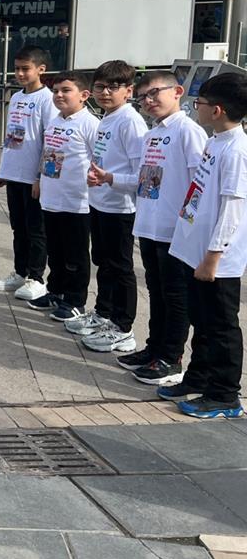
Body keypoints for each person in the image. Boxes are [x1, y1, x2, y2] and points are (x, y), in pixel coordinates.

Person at [90, 71, 206, 386]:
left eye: (155, 93)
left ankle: (171, 358)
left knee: (175, 296)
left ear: (177, 91)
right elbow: (144, 179)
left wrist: (190, 224)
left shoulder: (188, 131)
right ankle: (154, 349)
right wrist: (110, 178)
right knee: (157, 292)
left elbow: (200, 184)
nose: (149, 101)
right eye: (143, 97)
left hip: (175, 230)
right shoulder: (153, 134)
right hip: (150, 226)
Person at [163, 72, 247, 419]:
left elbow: (233, 210)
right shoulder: (215, 142)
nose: (194, 107)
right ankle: (197, 377)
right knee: (201, 321)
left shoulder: (237, 151)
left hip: (216, 261)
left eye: (198, 102)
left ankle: (225, 394)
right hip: (194, 250)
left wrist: (213, 258)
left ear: (217, 110)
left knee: (221, 326)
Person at [70, 60, 148, 353]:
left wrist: (111, 179)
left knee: (120, 267)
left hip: (120, 207)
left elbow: (142, 175)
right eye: (100, 86)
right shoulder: (107, 118)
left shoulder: (130, 121)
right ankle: (104, 313)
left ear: (129, 91)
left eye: (113, 87)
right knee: (103, 262)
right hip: (100, 202)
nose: (105, 93)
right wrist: (96, 177)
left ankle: (123, 327)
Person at [31, 72, 99, 322]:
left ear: (84, 95)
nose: (59, 95)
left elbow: (99, 159)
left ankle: (75, 300)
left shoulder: (90, 124)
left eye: (66, 90)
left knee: (75, 255)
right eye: (56, 91)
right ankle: (55, 291)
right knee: (56, 251)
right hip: (51, 198)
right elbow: (48, 152)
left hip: (76, 201)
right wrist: (39, 179)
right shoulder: (55, 120)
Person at [0, 46, 57, 301]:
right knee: (18, 228)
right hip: (15, 175)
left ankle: (36, 278)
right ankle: (20, 272)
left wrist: (40, 177)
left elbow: (50, 142)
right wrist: (5, 170)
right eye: (17, 69)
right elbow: (13, 136)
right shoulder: (17, 97)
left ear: (41, 69)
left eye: (25, 69)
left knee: (36, 230)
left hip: (34, 178)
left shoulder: (47, 99)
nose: (19, 73)